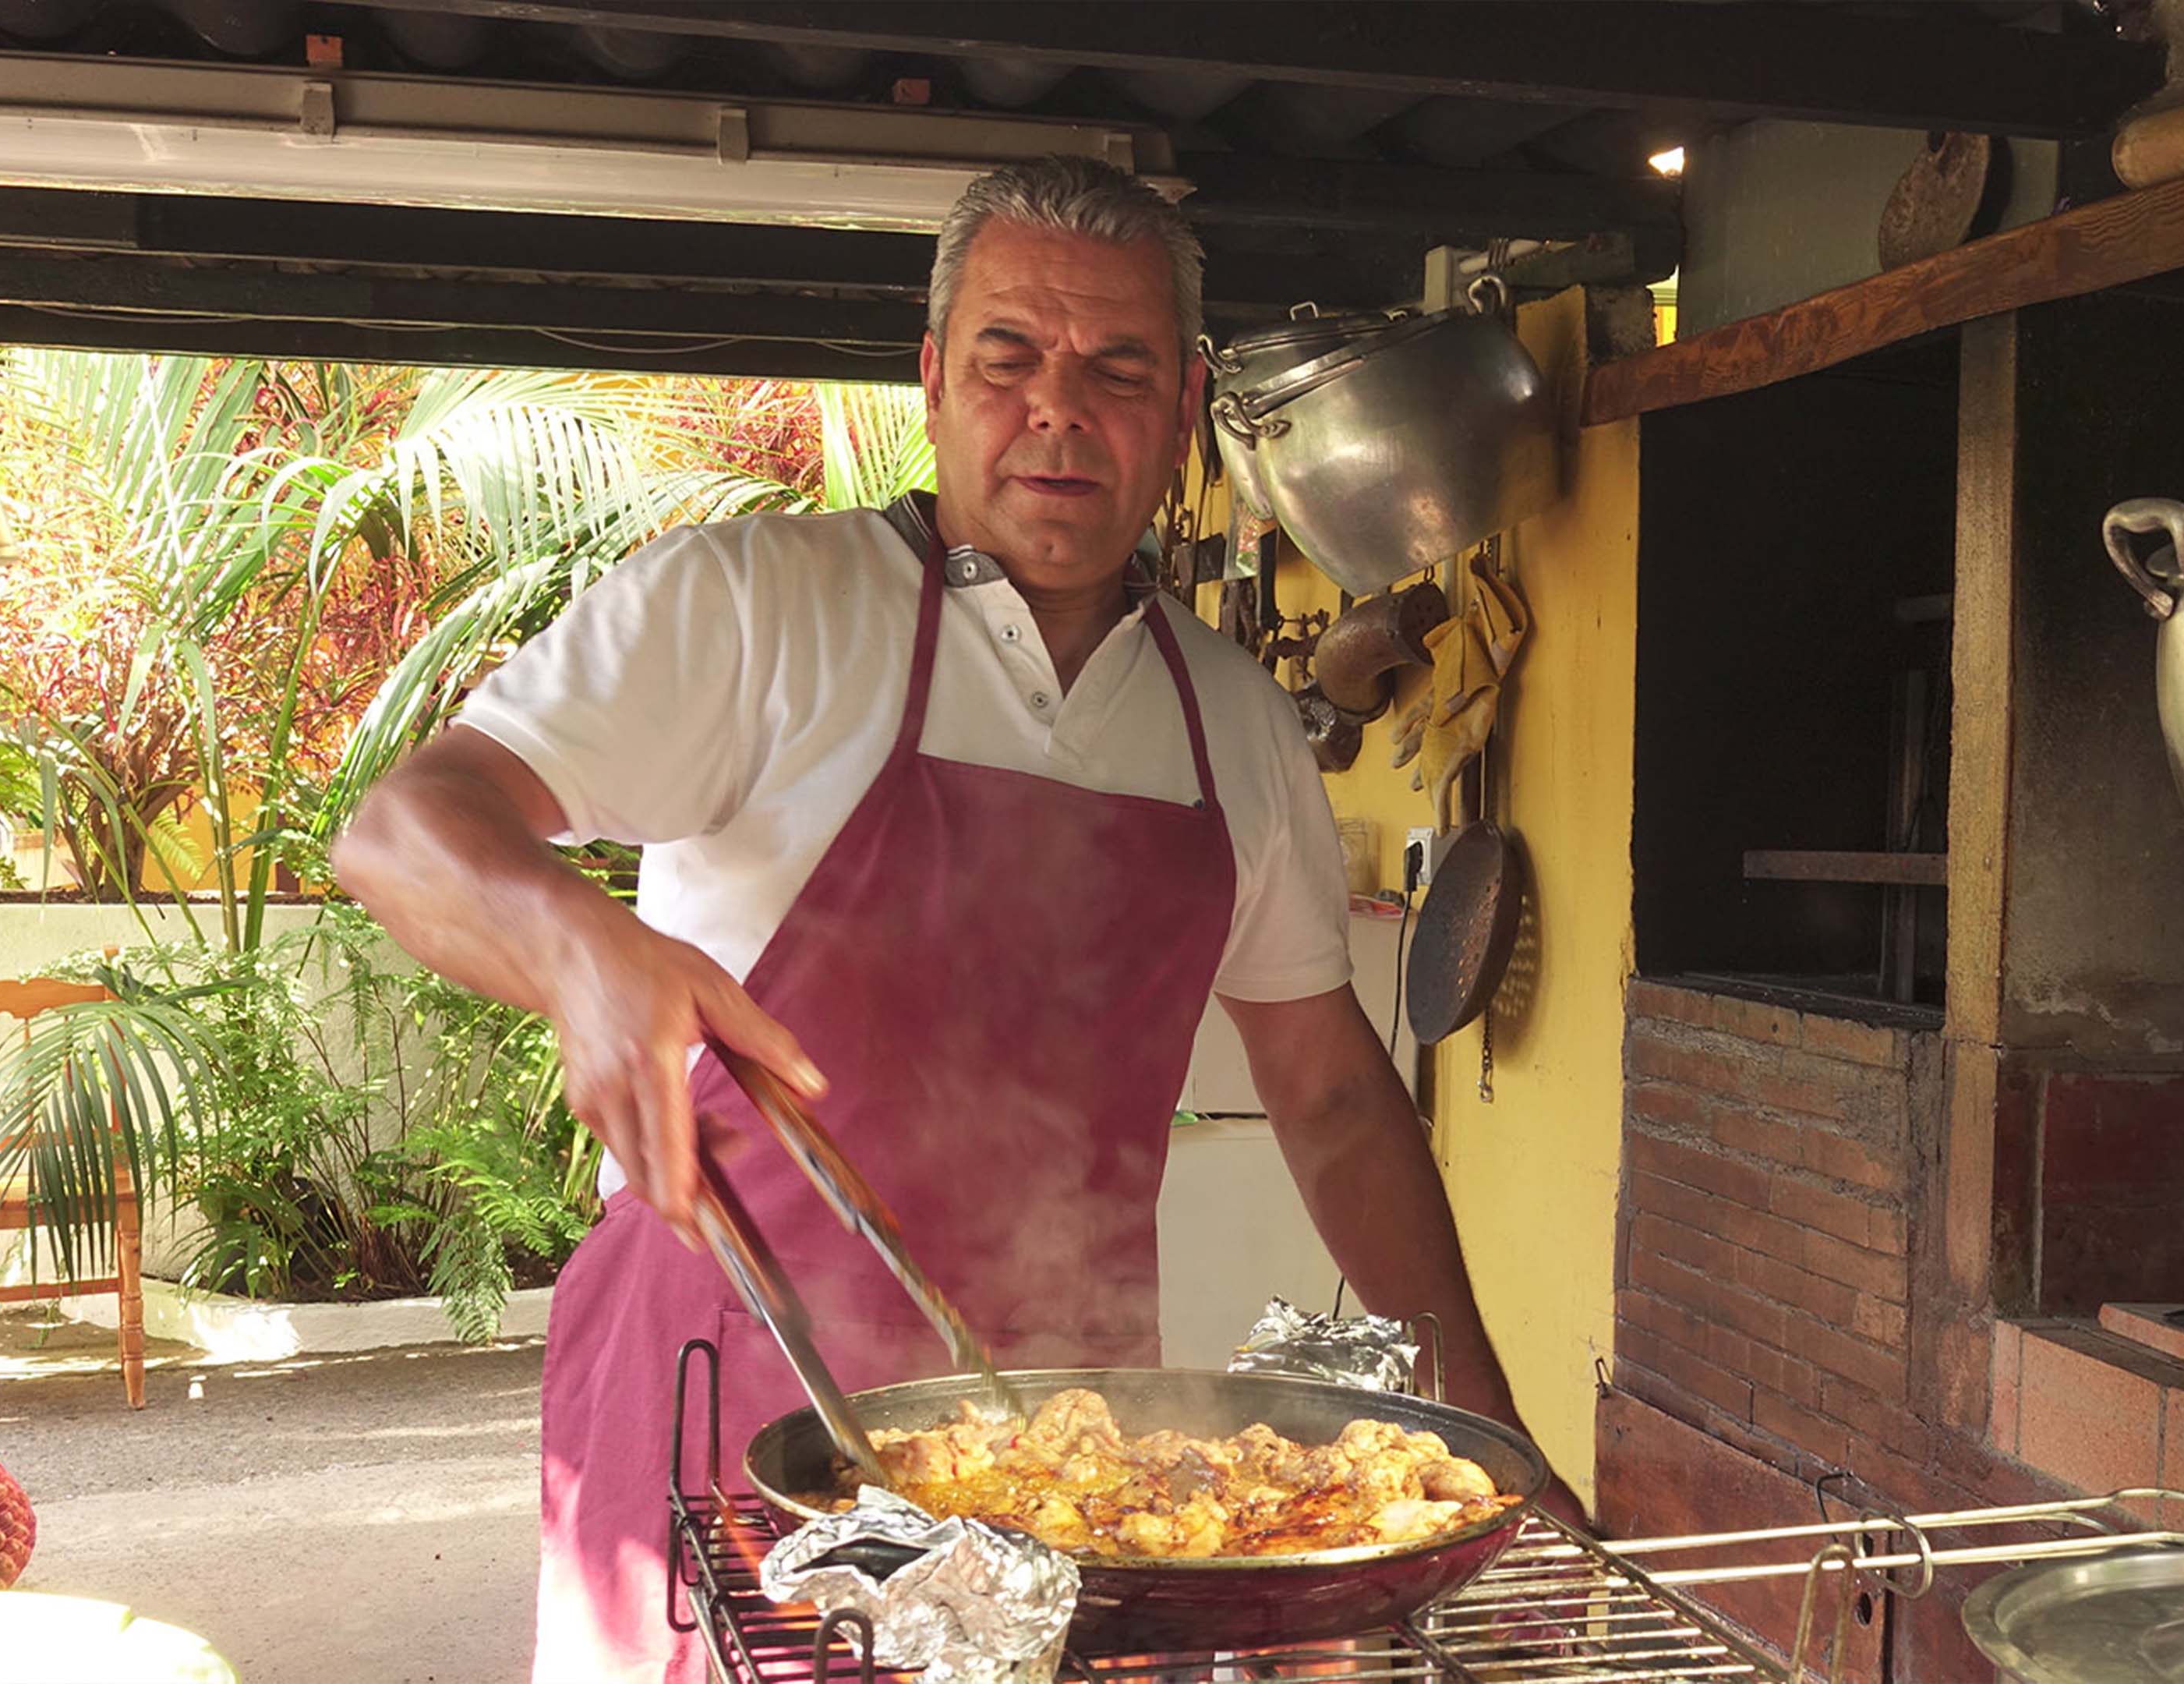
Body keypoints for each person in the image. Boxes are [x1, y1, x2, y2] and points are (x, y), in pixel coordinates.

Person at [334, 154, 1574, 1682]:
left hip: (1074, 1451)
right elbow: (406, 831)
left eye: (1116, 368)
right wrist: (580, 949)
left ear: (1183, 408)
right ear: (933, 380)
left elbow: (1331, 1099)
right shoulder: (758, 606)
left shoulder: (1235, 725)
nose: (1058, 406)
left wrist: (1501, 1443)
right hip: (727, 1404)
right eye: (1009, 357)